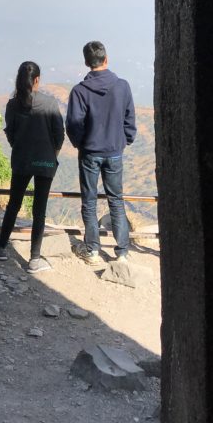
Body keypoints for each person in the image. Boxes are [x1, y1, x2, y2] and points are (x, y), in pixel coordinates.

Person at [0, 61, 65, 273]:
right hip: (45, 161)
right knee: (40, 210)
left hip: (21, 160)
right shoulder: (49, 103)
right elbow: (59, 135)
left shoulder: (13, 104)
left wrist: (19, 147)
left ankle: (1, 246)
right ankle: (34, 259)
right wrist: (51, 154)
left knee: (14, 204)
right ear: (37, 79)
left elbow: (10, 133)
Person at [65, 41, 136, 263]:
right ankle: (122, 251)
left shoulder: (79, 91)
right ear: (106, 59)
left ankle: (93, 249)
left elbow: (74, 124)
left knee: (90, 200)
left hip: (90, 153)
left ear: (87, 62)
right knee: (116, 200)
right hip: (114, 152)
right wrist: (125, 140)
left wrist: (81, 144)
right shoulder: (122, 86)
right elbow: (129, 118)